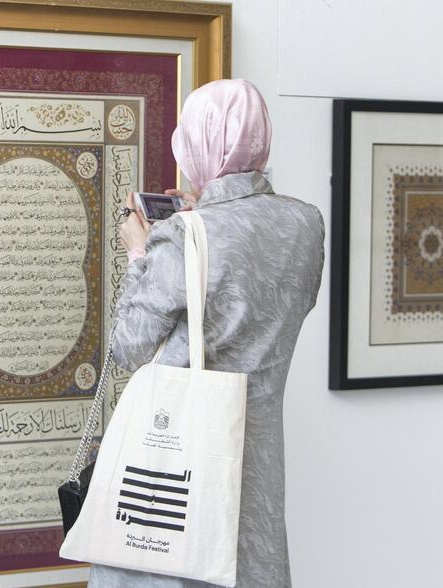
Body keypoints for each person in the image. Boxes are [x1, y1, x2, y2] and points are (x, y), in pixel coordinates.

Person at [87, 79, 325, 587]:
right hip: (257, 462)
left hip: (179, 457)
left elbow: (127, 345)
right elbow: (277, 303)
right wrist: (204, 214)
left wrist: (141, 252)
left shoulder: (182, 235)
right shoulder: (305, 225)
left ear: (199, 146)